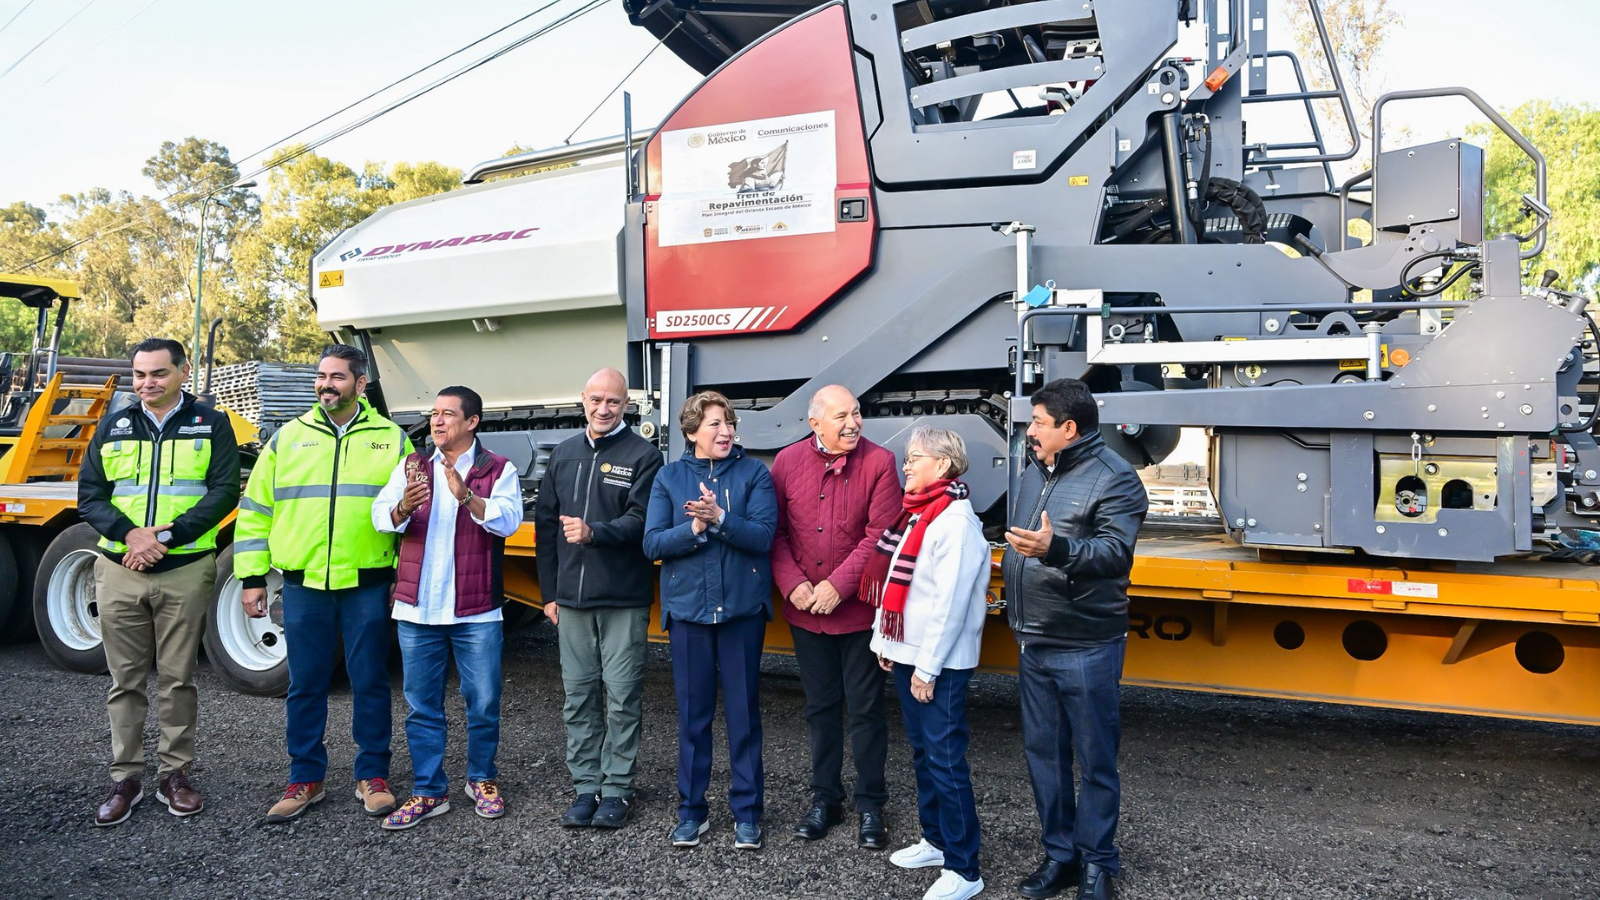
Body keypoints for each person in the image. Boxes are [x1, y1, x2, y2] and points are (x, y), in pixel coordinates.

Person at [236, 344, 412, 824]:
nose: (325, 384)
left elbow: (413, 513)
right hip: (303, 583)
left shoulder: (392, 440)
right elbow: (255, 512)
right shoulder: (288, 439)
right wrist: (251, 577)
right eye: (320, 376)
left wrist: (405, 578)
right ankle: (305, 779)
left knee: (371, 682)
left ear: (360, 383)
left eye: (337, 376)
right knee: (306, 684)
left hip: (367, 583)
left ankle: (372, 775)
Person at [77, 337, 240, 826]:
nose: (148, 384)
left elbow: (223, 491)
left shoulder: (211, 425)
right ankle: (125, 777)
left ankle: (175, 775)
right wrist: (130, 536)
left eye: (159, 374)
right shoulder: (113, 424)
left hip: (184, 568)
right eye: (140, 375)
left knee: (177, 680)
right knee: (124, 682)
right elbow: (90, 495)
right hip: (119, 567)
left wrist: (163, 538)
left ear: (182, 372)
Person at [1002, 379, 1148, 900]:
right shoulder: (1035, 470)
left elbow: (1114, 554)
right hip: (1034, 639)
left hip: (1086, 643)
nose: (1030, 430)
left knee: (1095, 760)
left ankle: (1098, 864)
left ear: (1069, 428)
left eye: (1039, 422)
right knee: (1044, 756)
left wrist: (1055, 548)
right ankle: (1060, 856)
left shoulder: (1117, 478)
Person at [371, 386, 521, 830]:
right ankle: (429, 791)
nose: (437, 422)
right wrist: (402, 507)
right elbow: (380, 516)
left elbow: (508, 521)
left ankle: (482, 779)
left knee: (484, 701)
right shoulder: (413, 465)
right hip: (418, 610)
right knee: (421, 705)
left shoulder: (497, 468)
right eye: (433, 414)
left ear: (472, 422)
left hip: (475, 612)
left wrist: (465, 497)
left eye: (448, 414)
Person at [642, 391, 776, 851]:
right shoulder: (669, 477)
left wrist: (719, 517)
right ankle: (691, 812)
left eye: (729, 423)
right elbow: (653, 544)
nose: (725, 432)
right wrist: (695, 530)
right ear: (691, 431)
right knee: (693, 719)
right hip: (689, 614)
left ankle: (746, 814)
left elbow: (762, 536)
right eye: (715, 424)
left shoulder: (754, 473)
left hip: (741, 613)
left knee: (743, 716)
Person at [770, 385, 901, 848]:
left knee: (866, 711)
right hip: (807, 613)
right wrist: (794, 585)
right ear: (815, 424)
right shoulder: (786, 463)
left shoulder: (880, 464)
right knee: (820, 709)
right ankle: (825, 798)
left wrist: (836, 587)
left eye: (858, 413)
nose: (853, 423)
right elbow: (777, 533)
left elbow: (880, 535)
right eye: (842, 415)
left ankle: (871, 805)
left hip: (858, 615)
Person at [533, 367, 662, 829]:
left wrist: (595, 534)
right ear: (582, 400)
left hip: (622, 600)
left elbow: (643, 520)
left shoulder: (644, 456)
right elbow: (546, 529)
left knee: (623, 697)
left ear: (626, 405)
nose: (604, 409)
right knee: (579, 697)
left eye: (613, 401)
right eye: (596, 400)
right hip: (570, 602)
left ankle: (618, 790)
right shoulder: (565, 454)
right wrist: (550, 594)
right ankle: (586, 786)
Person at [867, 427, 990, 900]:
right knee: (924, 754)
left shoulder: (955, 522)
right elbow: (905, 591)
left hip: (938, 664)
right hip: (909, 656)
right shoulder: (918, 514)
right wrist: (887, 643)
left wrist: (927, 668)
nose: (907, 465)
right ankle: (937, 842)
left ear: (943, 466)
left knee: (945, 759)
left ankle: (965, 868)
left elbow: (950, 606)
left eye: (915, 457)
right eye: (907, 457)